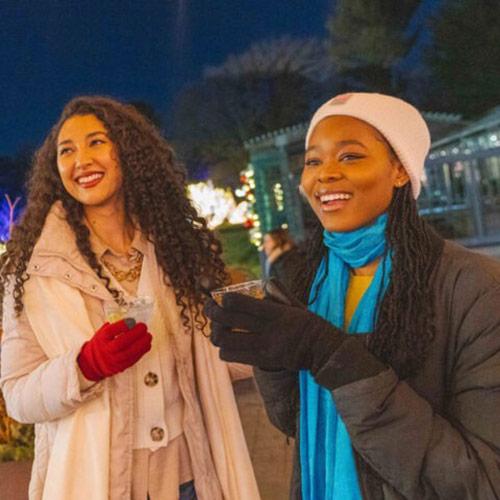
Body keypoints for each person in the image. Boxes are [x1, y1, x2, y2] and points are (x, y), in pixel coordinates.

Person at [205, 92, 500, 499]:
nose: (323, 175)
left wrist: (332, 356)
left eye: (350, 157)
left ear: (400, 170)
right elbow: (296, 422)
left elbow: (480, 482)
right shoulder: (304, 279)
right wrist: (270, 358)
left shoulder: (473, 286)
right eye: (312, 161)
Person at [0, 96, 259, 500]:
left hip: (189, 479)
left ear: (129, 151)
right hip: (96, 482)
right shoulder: (35, 271)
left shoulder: (174, 248)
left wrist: (262, 335)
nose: (80, 160)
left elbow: (207, 360)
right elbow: (17, 396)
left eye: (96, 142)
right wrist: (84, 366)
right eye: (66, 151)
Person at [262, 228, 304, 293]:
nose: (264, 246)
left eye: (267, 241)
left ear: (278, 240)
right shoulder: (277, 260)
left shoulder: (288, 260)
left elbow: (288, 290)